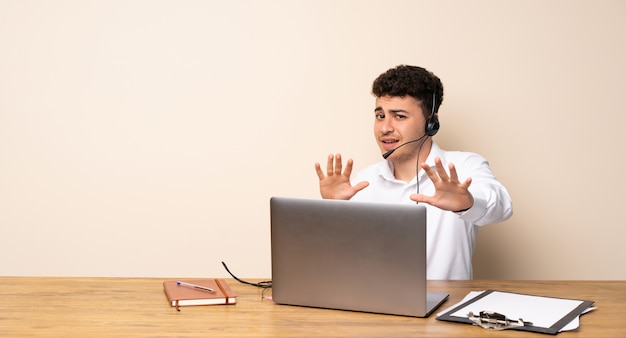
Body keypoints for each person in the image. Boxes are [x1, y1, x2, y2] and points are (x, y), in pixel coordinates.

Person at [314, 65, 513, 280]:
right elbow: (338, 264)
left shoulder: (463, 167)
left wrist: (467, 203)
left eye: (399, 116)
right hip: (377, 308)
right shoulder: (361, 183)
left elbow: (502, 208)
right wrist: (332, 211)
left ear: (431, 122)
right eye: (380, 116)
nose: (385, 128)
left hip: (447, 307)